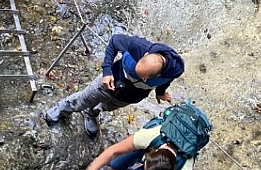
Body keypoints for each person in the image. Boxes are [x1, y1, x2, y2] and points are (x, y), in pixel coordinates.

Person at [44, 33, 184, 138]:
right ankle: (61, 109)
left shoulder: (175, 69)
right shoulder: (136, 45)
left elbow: (166, 81)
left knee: (106, 107)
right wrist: (107, 71)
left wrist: (160, 93)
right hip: (109, 82)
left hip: (130, 96)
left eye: (142, 77)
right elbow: (114, 41)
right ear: (145, 55)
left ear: (156, 75)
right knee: (82, 100)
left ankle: (90, 114)